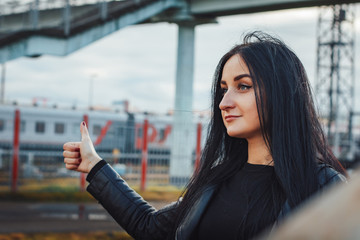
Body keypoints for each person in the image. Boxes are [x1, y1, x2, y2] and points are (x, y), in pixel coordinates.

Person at [63, 31, 347, 240]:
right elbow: (150, 228)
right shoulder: (216, 181)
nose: (224, 102)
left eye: (243, 86)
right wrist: (95, 167)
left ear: (282, 94)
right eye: (224, 89)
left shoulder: (324, 188)